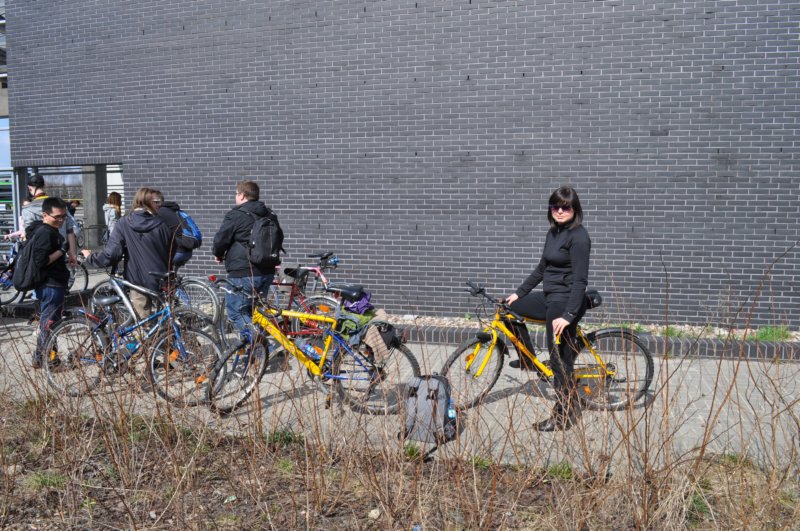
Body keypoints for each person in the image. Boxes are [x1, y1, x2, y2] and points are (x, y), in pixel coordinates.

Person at [504, 186, 591, 432]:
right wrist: (519, 293)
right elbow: (542, 268)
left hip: (565, 300)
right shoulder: (553, 233)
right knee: (508, 309)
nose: (560, 211)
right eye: (555, 207)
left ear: (574, 209)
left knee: (559, 360)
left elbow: (580, 281)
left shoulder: (579, 237)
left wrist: (568, 315)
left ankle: (563, 415)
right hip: (549, 296)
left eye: (565, 207)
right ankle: (529, 362)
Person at [82, 187, 173, 318]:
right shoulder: (162, 223)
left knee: (143, 322)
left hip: (138, 280)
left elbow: (111, 254)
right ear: (146, 202)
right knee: (165, 321)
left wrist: (91, 257)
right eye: (157, 202)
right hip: (162, 277)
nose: (160, 205)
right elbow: (172, 249)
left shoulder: (124, 223)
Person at [212, 180, 277, 335]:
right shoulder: (270, 214)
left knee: (236, 312)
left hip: (243, 272)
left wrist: (218, 254)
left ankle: (260, 344)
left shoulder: (236, 215)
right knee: (255, 312)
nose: (235, 197)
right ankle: (254, 347)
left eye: (236, 194)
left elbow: (221, 239)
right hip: (267, 271)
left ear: (242, 195)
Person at [27, 198, 71, 369]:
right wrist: (62, 250)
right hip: (51, 286)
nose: (61, 220)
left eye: (64, 216)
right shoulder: (45, 233)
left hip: (51, 285)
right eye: (57, 217)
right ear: (45, 215)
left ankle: (39, 358)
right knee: (50, 326)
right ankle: (50, 361)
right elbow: (41, 261)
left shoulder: (47, 230)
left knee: (49, 324)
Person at [21, 173, 78, 267]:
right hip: (60, 253)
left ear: (30, 188)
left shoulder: (28, 209)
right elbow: (70, 231)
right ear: (44, 186)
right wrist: (72, 253)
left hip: (39, 257)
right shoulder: (59, 205)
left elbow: (29, 236)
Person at [151, 190, 197, 269]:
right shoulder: (174, 210)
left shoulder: (160, 212)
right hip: (186, 252)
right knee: (170, 274)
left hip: (177, 252)